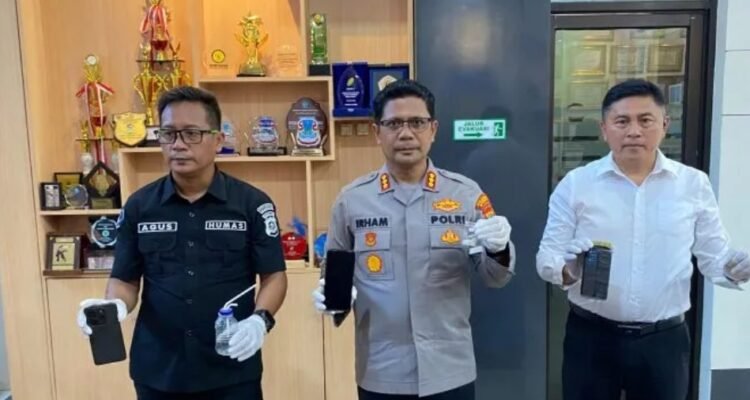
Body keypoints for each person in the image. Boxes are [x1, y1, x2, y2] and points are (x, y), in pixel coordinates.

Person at [536, 79, 750, 400]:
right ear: (604, 129)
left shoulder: (693, 185)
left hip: (663, 342)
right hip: (592, 337)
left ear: (664, 125)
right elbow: (547, 259)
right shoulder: (577, 184)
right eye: (622, 121)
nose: (634, 131)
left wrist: (735, 269)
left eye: (645, 120)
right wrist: (569, 270)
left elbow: (714, 258)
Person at [76, 86, 288, 400]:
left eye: (191, 134)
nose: (177, 144)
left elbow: (274, 276)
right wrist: (114, 306)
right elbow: (125, 279)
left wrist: (260, 320)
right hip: (159, 368)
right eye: (168, 134)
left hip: (230, 367)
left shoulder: (252, 204)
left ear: (218, 140)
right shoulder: (139, 206)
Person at [312, 79, 515, 400]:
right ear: (377, 132)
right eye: (393, 124)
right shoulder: (351, 201)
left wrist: (499, 249)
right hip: (381, 371)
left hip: (449, 369)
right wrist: (332, 297)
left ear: (433, 129)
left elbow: (496, 277)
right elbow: (335, 277)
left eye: (417, 122)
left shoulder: (465, 195)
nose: (406, 134)